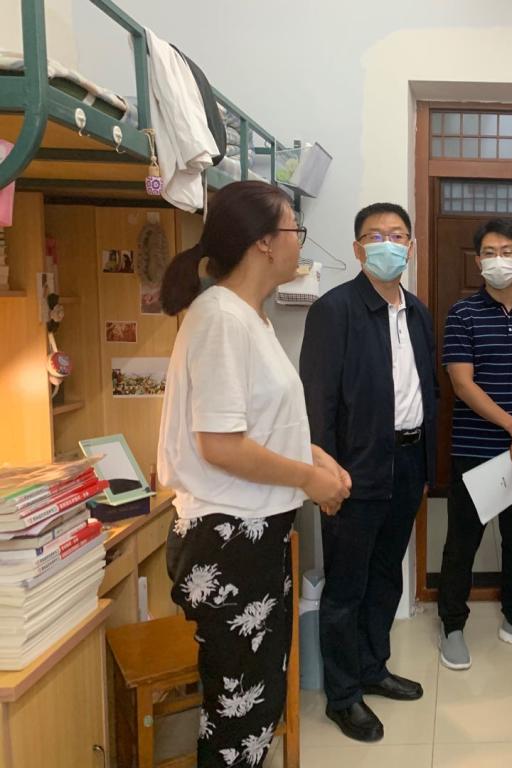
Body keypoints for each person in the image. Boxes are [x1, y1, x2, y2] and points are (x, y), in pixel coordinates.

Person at [157, 181, 351, 768]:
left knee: (256, 704)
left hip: (254, 537)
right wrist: (308, 479)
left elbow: (260, 425)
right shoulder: (220, 318)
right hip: (227, 540)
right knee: (237, 712)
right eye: (295, 230)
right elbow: (220, 444)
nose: (300, 243)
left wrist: (315, 458)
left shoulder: (249, 318)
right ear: (264, 242)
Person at [300, 202, 438, 743]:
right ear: (358, 249)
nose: (388, 244)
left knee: (386, 575)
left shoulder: (418, 312)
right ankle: (342, 695)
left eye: (398, 235)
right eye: (376, 236)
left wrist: (426, 467)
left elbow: (426, 391)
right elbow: (318, 402)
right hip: (352, 469)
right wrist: (324, 473)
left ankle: (372, 667)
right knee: (346, 586)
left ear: (411, 247)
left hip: (407, 462)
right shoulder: (334, 310)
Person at [438, 218, 512, 670]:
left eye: (506, 252)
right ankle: (452, 623)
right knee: (462, 541)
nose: (497, 260)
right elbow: (462, 384)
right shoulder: (462, 314)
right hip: (475, 447)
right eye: (489, 252)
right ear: (478, 261)